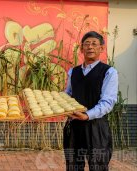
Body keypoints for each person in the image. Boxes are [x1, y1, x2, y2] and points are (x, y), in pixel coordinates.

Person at [63, 31, 118, 171]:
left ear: (102, 48)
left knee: (98, 166)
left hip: (96, 127)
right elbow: (67, 94)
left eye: (94, 44)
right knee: (73, 165)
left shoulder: (109, 72)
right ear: (81, 48)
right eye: (86, 44)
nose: (90, 47)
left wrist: (87, 115)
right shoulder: (73, 72)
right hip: (74, 126)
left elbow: (107, 102)